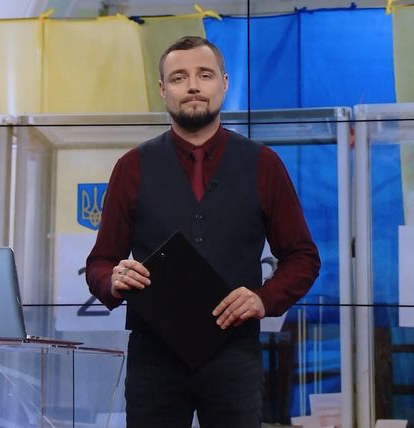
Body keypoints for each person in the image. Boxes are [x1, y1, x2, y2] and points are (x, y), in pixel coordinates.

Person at [86, 36, 319, 428]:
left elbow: (303, 258)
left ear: (224, 84)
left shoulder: (264, 165)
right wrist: (113, 279)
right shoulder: (131, 167)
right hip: (153, 358)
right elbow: (100, 263)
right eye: (179, 77)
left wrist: (264, 298)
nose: (193, 86)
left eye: (204, 75)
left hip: (234, 355)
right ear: (162, 89)